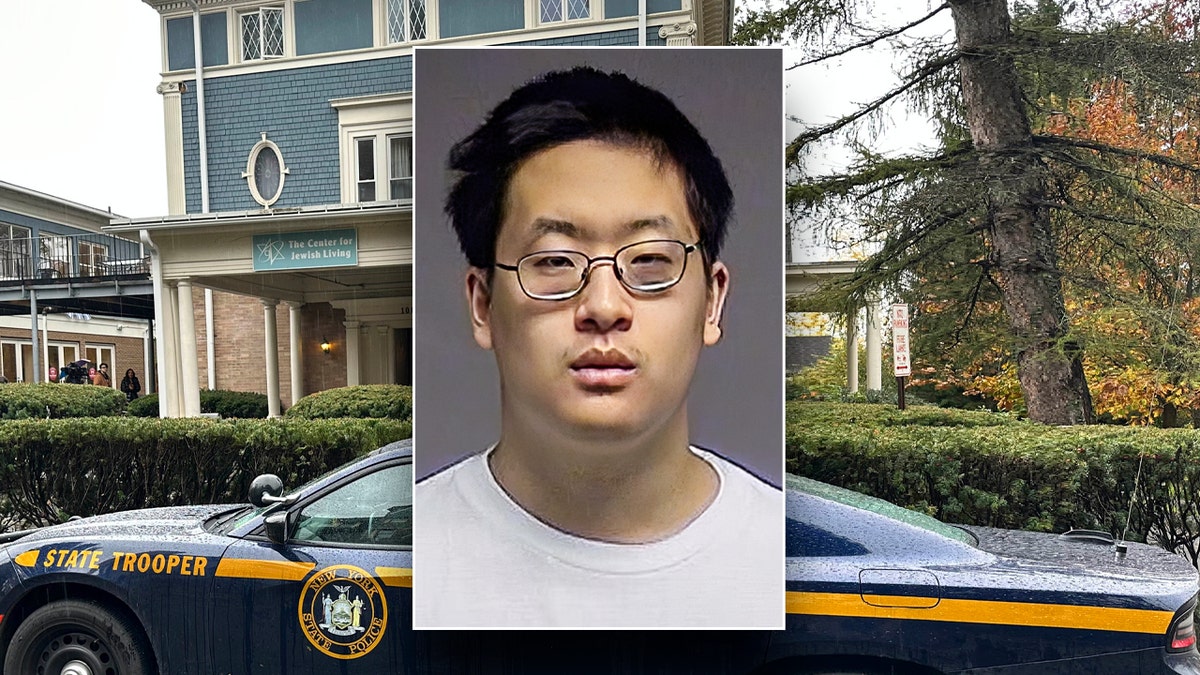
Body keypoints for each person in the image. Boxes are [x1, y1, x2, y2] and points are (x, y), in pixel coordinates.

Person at [414, 64, 782, 629]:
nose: (605, 306)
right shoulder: (397, 562)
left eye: (651, 261)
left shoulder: (795, 564)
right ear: (483, 304)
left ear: (712, 301)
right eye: (556, 262)